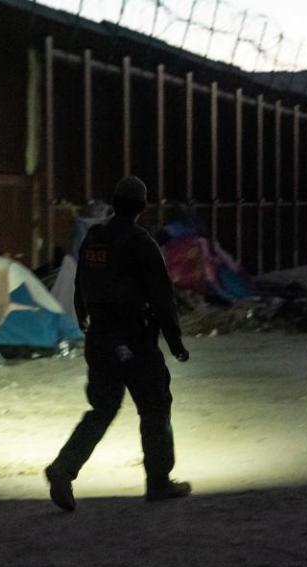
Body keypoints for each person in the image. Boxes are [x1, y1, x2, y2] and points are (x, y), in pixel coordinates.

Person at [45, 176, 192, 511]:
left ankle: (63, 469)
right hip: (136, 340)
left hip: (100, 339)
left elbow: (82, 283)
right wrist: (175, 343)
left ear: (114, 203)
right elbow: (162, 299)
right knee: (155, 408)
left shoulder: (94, 239)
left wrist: (86, 320)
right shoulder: (142, 243)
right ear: (142, 207)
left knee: (101, 410)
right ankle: (158, 482)